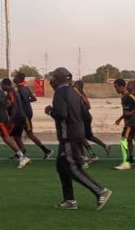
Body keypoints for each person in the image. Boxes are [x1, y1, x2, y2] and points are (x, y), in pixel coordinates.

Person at [44, 67, 112, 211]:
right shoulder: (75, 93)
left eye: (54, 77)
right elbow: (87, 115)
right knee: (61, 167)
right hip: (76, 133)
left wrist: (50, 111)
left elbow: (61, 114)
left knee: (72, 167)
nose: (52, 80)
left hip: (68, 135)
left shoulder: (60, 93)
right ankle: (69, 200)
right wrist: (85, 132)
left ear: (59, 79)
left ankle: (100, 191)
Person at [13, 72, 54, 159]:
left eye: (15, 77)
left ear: (19, 79)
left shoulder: (17, 89)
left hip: (23, 114)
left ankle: (26, 153)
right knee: (19, 134)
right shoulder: (25, 88)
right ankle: (21, 152)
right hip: (26, 113)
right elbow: (33, 98)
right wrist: (26, 101)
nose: (14, 78)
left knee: (23, 134)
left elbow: (23, 99)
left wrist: (21, 102)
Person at [73, 80, 111, 164]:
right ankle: (103, 147)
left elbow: (86, 106)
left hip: (83, 118)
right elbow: (88, 106)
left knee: (81, 137)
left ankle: (92, 155)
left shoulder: (78, 94)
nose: (73, 86)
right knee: (87, 136)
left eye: (75, 85)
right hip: (85, 117)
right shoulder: (82, 94)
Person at [2, 78, 28, 159]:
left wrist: (10, 122)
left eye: (2, 85)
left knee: (6, 136)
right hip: (20, 117)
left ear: (7, 85)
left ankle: (22, 154)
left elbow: (14, 108)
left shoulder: (11, 93)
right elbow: (8, 104)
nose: (1, 87)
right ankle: (23, 153)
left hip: (17, 118)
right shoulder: (11, 92)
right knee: (16, 137)